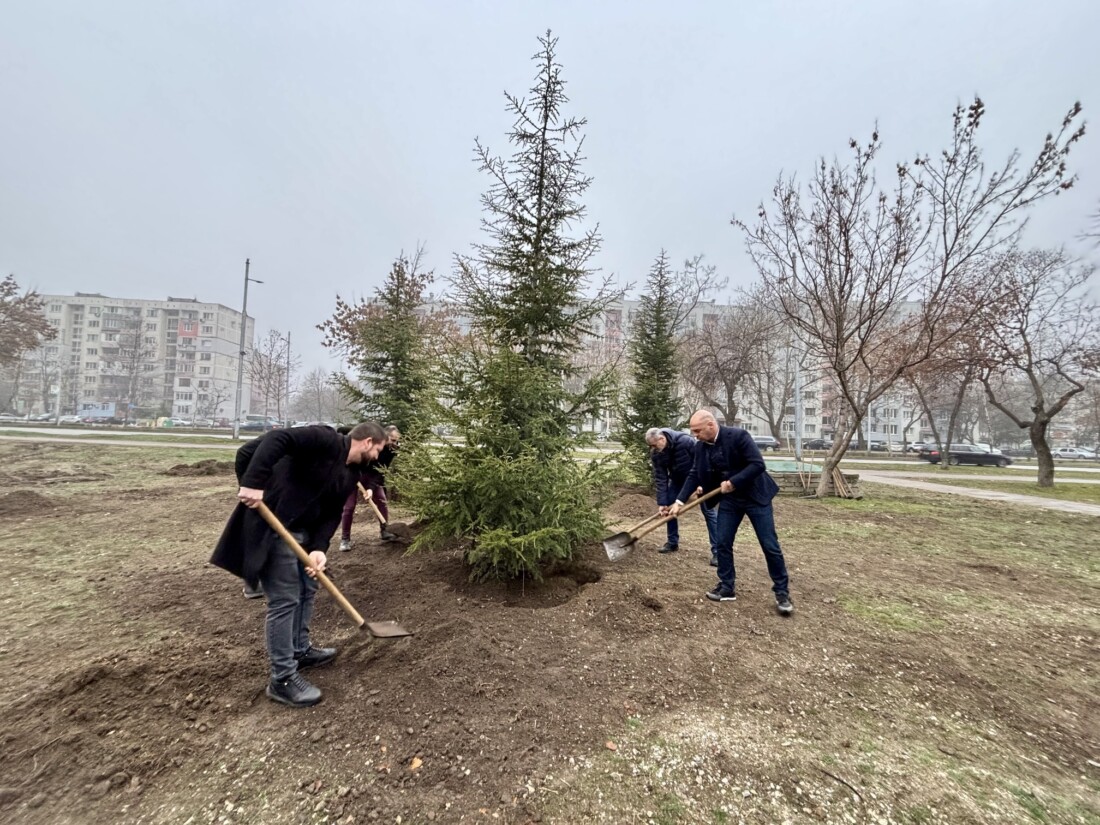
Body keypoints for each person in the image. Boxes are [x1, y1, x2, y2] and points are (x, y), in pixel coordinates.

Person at [211, 422, 387, 707]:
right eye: (379, 449)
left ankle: (299, 650)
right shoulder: (323, 440)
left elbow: (331, 514)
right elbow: (274, 440)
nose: (378, 457)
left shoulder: (351, 472)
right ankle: (281, 678)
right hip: (276, 528)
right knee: (285, 599)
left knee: (307, 588)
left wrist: (319, 548)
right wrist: (253, 483)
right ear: (368, 442)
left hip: (305, 537)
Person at [670, 410, 793, 615]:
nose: (694, 435)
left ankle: (782, 592)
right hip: (731, 501)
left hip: (756, 498)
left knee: (769, 545)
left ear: (710, 425)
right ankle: (727, 586)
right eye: (692, 432)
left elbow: (757, 464)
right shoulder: (700, 447)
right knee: (722, 542)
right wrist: (678, 502)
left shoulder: (737, 436)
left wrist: (734, 482)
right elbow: (694, 473)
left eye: (697, 431)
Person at [645, 426, 719, 564]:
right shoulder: (657, 453)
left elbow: (703, 461)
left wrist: (702, 483)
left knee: (709, 512)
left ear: (662, 439)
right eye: (651, 446)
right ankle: (672, 542)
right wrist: (662, 502)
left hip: (699, 479)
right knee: (669, 507)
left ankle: (717, 552)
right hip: (678, 480)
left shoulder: (685, 442)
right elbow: (661, 478)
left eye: (654, 445)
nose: (653, 449)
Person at [338, 424, 401, 550]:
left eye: (397, 441)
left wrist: (371, 488)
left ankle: (385, 531)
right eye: (393, 440)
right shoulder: (371, 443)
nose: (395, 443)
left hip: (372, 476)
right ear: (385, 437)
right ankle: (345, 539)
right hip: (354, 473)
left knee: (381, 500)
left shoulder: (391, 451)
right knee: (349, 507)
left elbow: (381, 471)